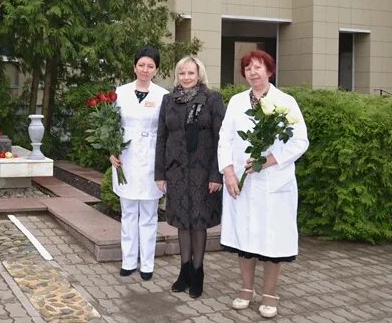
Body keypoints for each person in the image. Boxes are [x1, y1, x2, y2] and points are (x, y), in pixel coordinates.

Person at [218, 49, 309, 318]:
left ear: (270, 71)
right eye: (248, 68)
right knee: (244, 236)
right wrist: (229, 172)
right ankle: (246, 289)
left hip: (273, 183)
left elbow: (300, 141)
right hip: (241, 184)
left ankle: (269, 293)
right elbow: (225, 139)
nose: (252, 72)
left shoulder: (285, 102)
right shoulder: (235, 102)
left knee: (272, 240)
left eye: (258, 67)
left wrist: (269, 160)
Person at [154, 56, 225, 298]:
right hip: (176, 170)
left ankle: (198, 271)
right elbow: (161, 138)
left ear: (199, 74)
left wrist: (217, 173)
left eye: (190, 73)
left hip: (203, 172)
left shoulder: (212, 99)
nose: (186, 77)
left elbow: (222, 139)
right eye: (182, 73)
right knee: (182, 221)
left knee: (198, 221)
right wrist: (160, 173)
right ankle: (184, 270)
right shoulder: (168, 100)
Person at [109, 46, 169, 281]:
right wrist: (111, 150)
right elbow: (112, 125)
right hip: (125, 158)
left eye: (150, 66)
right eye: (141, 65)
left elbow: (166, 132)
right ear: (134, 67)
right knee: (128, 213)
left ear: (156, 69)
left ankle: (147, 264)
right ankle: (128, 261)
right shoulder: (120, 92)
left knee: (149, 214)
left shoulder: (163, 95)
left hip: (152, 159)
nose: (145, 69)